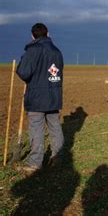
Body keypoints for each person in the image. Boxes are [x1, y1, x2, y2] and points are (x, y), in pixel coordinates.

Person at [16, 23, 65, 173]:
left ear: (32, 36)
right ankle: (58, 158)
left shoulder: (33, 50)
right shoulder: (57, 51)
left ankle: (35, 164)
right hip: (54, 96)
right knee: (55, 127)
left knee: (36, 130)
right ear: (47, 34)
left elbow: (23, 73)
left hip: (37, 97)